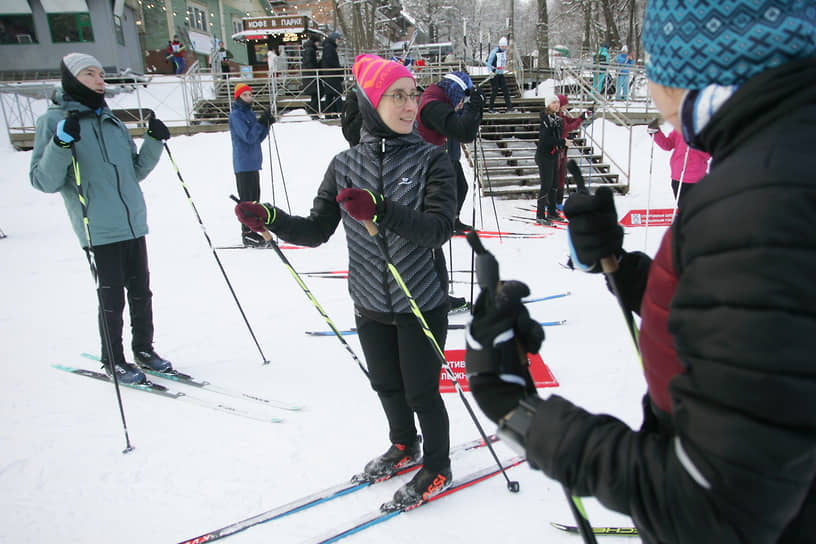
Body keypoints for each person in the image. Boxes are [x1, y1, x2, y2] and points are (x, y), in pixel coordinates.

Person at [464, 1, 816, 541]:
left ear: (701, 63)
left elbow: (711, 510)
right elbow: (751, 327)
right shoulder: (779, 157)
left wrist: (519, 413)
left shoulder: (765, 197)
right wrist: (623, 267)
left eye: (655, 62)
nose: (649, 87)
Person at [235, 54, 457, 507]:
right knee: (386, 385)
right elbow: (317, 230)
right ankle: (403, 444)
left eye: (412, 94)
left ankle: (438, 465)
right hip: (371, 299)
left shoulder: (434, 159)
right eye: (397, 96)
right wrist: (270, 217)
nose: (409, 105)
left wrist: (381, 209)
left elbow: (437, 230)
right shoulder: (344, 165)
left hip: (421, 298)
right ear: (372, 102)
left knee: (421, 391)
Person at [29, 53, 174, 385]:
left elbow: (135, 171)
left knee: (141, 292)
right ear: (71, 80)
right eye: (89, 74)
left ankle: (144, 350)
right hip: (97, 227)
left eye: (100, 74)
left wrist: (153, 142)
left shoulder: (111, 121)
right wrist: (61, 143)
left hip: (132, 222)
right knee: (112, 298)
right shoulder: (53, 122)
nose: (99, 80)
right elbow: (43, 181)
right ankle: (113, 359)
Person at [417, 70, 485, 313]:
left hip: (431, 172)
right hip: (423, 179)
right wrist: (475, 105)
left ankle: (436, 296)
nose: (459, 104)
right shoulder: (434, 104)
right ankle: (435, 299)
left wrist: (473, 109)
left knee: (433, 243)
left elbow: (462, 129)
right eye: (460, 98)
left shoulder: (436, 100)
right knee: (430, 243)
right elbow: (463, 131)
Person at [228, 82, 275, 247]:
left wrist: (265, 125)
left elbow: (257, 138)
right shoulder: (236, 116)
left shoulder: (249, 114)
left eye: (250, 94)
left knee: (255, 200)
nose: (249, 98)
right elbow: (248, 137)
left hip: (253, 162)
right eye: (245, 95)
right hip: (243, 163)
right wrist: (260, 124)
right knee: (247, 200)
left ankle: (255, 231)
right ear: (238, 97)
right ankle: (247, 233)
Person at [648, 121, 711, 209]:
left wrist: (695, 145)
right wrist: (656, 131)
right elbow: (668, 145)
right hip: (677, 176)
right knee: (683, 207)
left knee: (695, 208)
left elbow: (708, 153)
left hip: (695, 178)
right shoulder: (680, 129)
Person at [534, 95, 563, 225]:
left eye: (557, 102)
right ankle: (540, 214)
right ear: (548, 105)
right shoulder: (546, 119)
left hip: (553, 155)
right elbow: (545, 140)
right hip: (544, 155)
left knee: (554, 184)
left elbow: (558, 135)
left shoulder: (557, 119)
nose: (556, 105)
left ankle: (552, 211)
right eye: (553, 103)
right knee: (546, 185)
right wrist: (561, 141)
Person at [485, 37, 513, 113]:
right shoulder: (494, 52)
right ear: (499, 45)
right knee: (495, 91)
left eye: (505, 46)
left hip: (500, 74)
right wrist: (490, 71)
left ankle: (509, 107)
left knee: (505, 91)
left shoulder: (504, 52)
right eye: (502, 46)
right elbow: (489, 63)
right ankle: (490, 108)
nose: (503, 48)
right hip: (494, 74)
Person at [320, 32, 343, 115]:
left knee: (330, 94)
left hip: (329, 74)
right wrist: (338, 69)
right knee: (337, 94)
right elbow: (331, 61)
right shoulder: (330, 48)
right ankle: (340, 112)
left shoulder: (328, 47)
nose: (338, 42)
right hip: (332, 74)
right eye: (337, 40)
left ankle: (329, 113)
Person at [302, 35, 321, 118]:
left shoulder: (308, 49)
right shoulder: (310, 50)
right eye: (318, 42)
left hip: (309, 75)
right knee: (319, 92)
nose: (318, 44)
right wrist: (316, 67)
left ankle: (312, 110)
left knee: (316, 93)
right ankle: (312, 110)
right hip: (311, 75)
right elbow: (309, 62)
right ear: (315, 42)